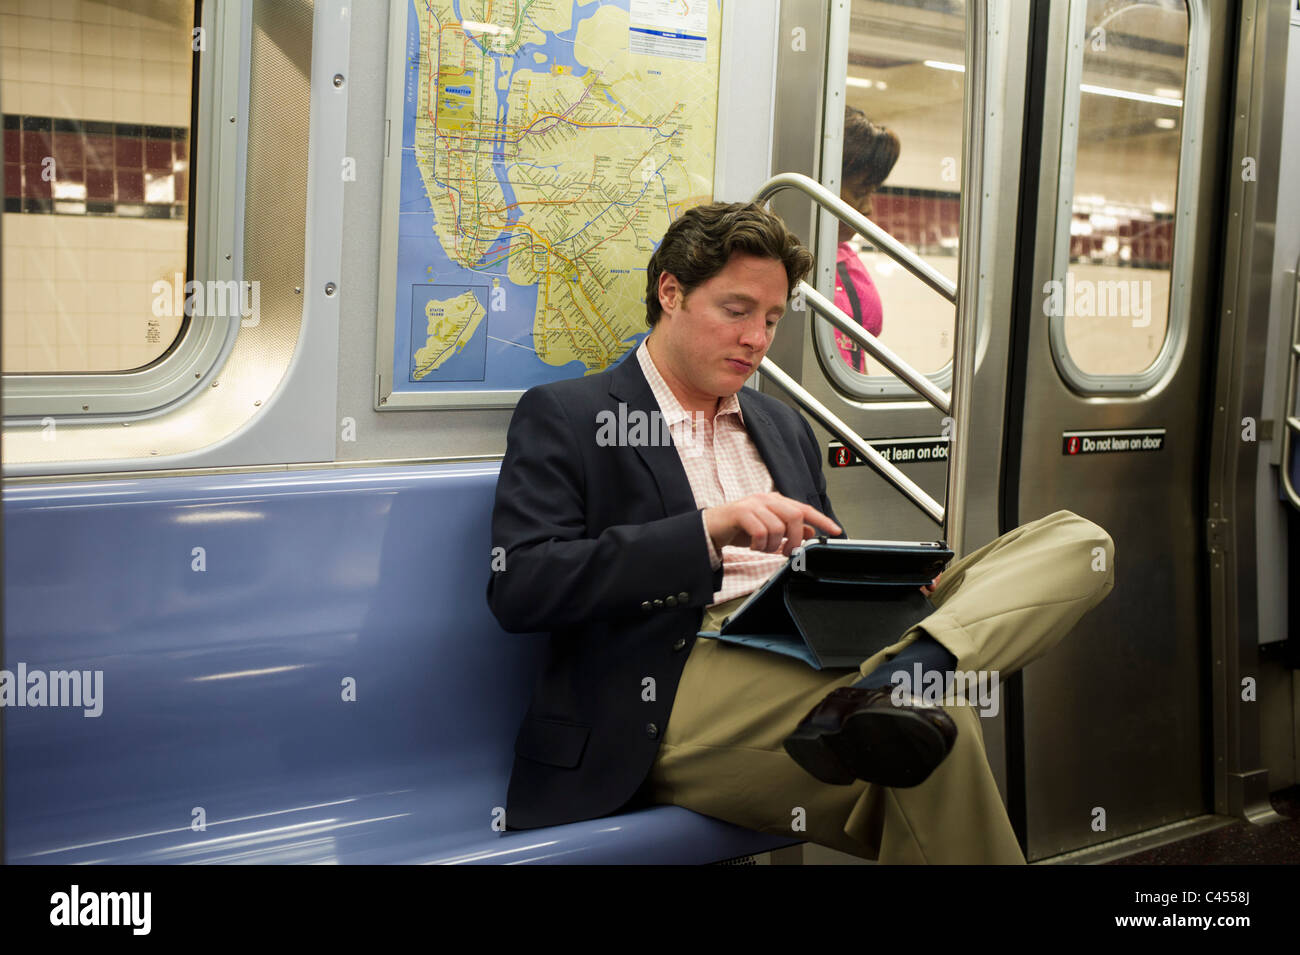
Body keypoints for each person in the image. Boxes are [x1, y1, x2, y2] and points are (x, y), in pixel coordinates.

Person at [487, 201, 1114, 863]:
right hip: (673, 675)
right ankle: (899, 687)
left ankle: (909, 668)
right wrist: (704, 531)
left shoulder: (781, 423)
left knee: (1082, 542)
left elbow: (817, 556)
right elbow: (522, 583)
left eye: (772, 318)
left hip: (813, 650)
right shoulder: (571, 414)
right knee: (937, 736)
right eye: (737, 310)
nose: (758, 338)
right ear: (670, 292)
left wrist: (884, 589)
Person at [834, 109, 901, 374]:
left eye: (871, 193)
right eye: (860, 192)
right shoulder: (785, 264)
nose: (868, 209)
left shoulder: (848, 261)